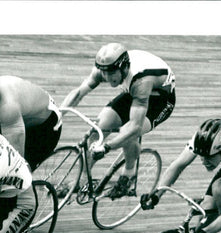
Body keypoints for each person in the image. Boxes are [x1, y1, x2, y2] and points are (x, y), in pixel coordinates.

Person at [61, 43, 176, 198]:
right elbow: (78, 93)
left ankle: (129, 175)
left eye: (112, 74)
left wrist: (107, 147)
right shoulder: (104, 68)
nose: (108, 78)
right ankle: (81, 179)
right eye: (104, 73)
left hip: (159, 101)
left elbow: (135, 126)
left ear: (123, 67)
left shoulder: (142, 81)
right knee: (98, 129)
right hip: (133, 93)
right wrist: (59, 114)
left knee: (127, 132)